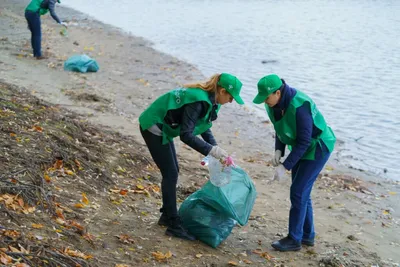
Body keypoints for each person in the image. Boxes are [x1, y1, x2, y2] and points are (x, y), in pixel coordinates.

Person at [139, 73, 244, 240]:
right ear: (222, 91)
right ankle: (173, 223)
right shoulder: (198, 100)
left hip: (165, 126)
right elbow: (186, 135)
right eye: (231, 97)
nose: (231, 101)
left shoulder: (212, 100)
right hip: (154, 125)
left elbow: (203, 127)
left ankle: (167, 215)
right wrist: (212, 151)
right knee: (170, 173)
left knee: (173, 171)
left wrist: (216, 150)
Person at [253, 74, 336, 251]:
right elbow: (280, 127)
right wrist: (278, 150)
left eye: (266, 98)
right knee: (302, 191)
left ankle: (294, 239)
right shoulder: (273, 104)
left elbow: (305, 141)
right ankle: (307, 236)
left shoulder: (300, 105)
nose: (265, 102)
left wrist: (285, 165)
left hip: (318, 146)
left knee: (298, 191)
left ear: (277, 92)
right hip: (300, 146)